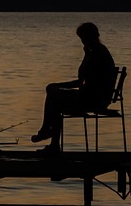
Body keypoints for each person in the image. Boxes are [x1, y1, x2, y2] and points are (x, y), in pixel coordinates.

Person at [30, 22, 117, 153]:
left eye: (84, 38)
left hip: (93, 99)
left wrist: (57, 86)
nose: (83, 41)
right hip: (91, 96)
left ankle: (47, 134)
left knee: (53, 96)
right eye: (81, 38)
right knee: (54, 99)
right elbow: (82, 80)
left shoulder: (97, 54)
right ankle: (51, 140)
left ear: (92, 36)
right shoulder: (95, 52)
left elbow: (81, 81)